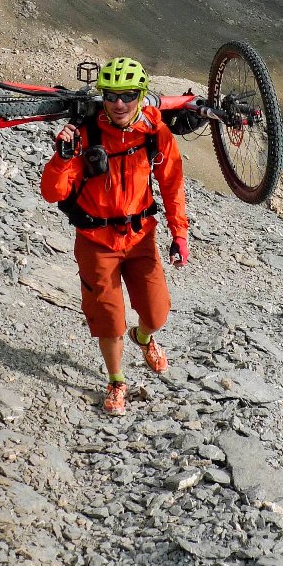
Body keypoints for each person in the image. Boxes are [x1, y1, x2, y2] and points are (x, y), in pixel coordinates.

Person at [40, 56, 189, 416]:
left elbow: (171, 184)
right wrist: (62, 157)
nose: (118, 103)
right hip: (95, 241)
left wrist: (179, 233)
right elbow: (53, 193)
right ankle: (116, 380)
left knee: (156, 313)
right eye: (110, 95)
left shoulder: (156, 133)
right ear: (102, 96)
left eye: (127, 95)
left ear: (140, 95)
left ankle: (144, 338)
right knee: (109, 318)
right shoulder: (85, 134)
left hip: (140, 239)